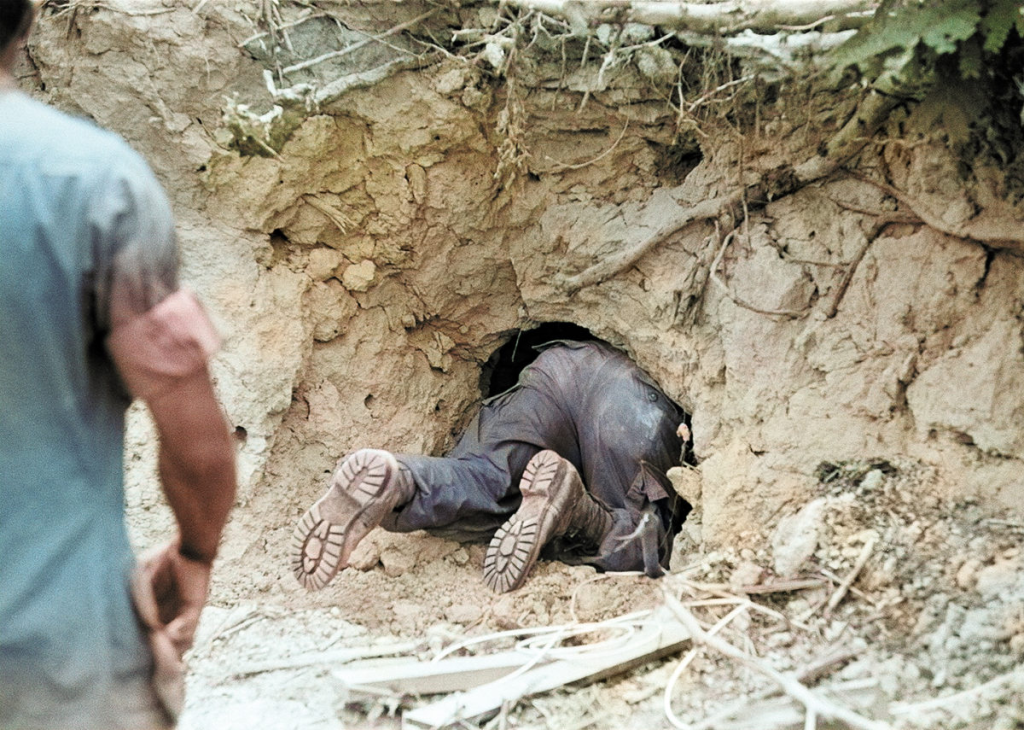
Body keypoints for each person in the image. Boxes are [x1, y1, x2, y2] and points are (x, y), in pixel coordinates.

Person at [0, 3, 237, 729]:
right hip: (55, 651)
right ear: (25, 18)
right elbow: (198, 448)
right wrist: (194, 554)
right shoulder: (95, 183)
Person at [292, 339, 690, 594]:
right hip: (634, 402)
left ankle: (402, 478)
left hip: (555, 368)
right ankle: (580, 512)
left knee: (484, 478)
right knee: (641, 539)